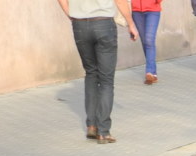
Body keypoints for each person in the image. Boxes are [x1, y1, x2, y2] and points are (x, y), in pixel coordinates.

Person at [56, 0, 138, 143]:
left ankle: (92, 126)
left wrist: (70, 14)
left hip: (80, 25)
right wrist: (131, 23)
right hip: (104, 24)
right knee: (106, 80)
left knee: (91, 73)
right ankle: (103, 131)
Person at [132, 0, 162, 84]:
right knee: (144, 41)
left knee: (149, 40)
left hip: (153, 10)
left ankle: (149, 72)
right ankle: (153, 73)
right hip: (136, 11)